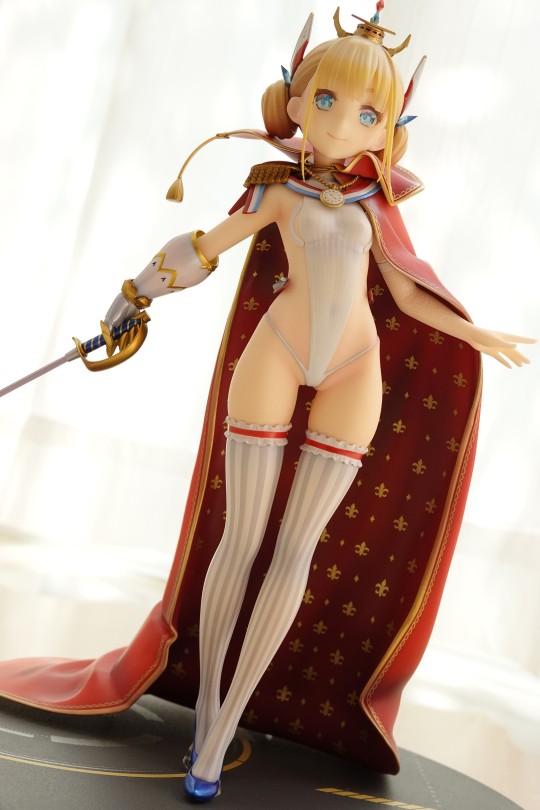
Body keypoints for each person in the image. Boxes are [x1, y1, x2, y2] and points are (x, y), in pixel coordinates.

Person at [0, 8, 533, 803]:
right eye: (326, 100)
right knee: (240, 541)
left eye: (367, 113)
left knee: (295, 552)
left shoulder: (376, 209)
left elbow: (405, 293)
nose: (341, 123)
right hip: (277, 351)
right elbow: (205, 248)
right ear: (295, 99)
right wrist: (133, 295)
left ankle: (222, 729)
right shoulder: (277, 191)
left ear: (390, 129)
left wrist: (474, 332)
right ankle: (209, 711)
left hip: (356, 370)